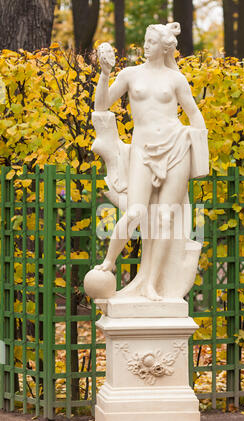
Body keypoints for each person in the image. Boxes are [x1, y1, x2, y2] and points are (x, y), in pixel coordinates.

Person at [93, 22, 209, 301]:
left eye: (151, 42)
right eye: (145, 40)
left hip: (177, 146)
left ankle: (151, 284)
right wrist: (105, 74)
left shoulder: (175, 79)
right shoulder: (130, 74)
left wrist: (201, 156)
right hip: (143, 150)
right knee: (135, 212)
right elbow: (102, 105)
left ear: (165, 47)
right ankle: (108, 262)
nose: (145, 46)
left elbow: (193, 113)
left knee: (167, 217)